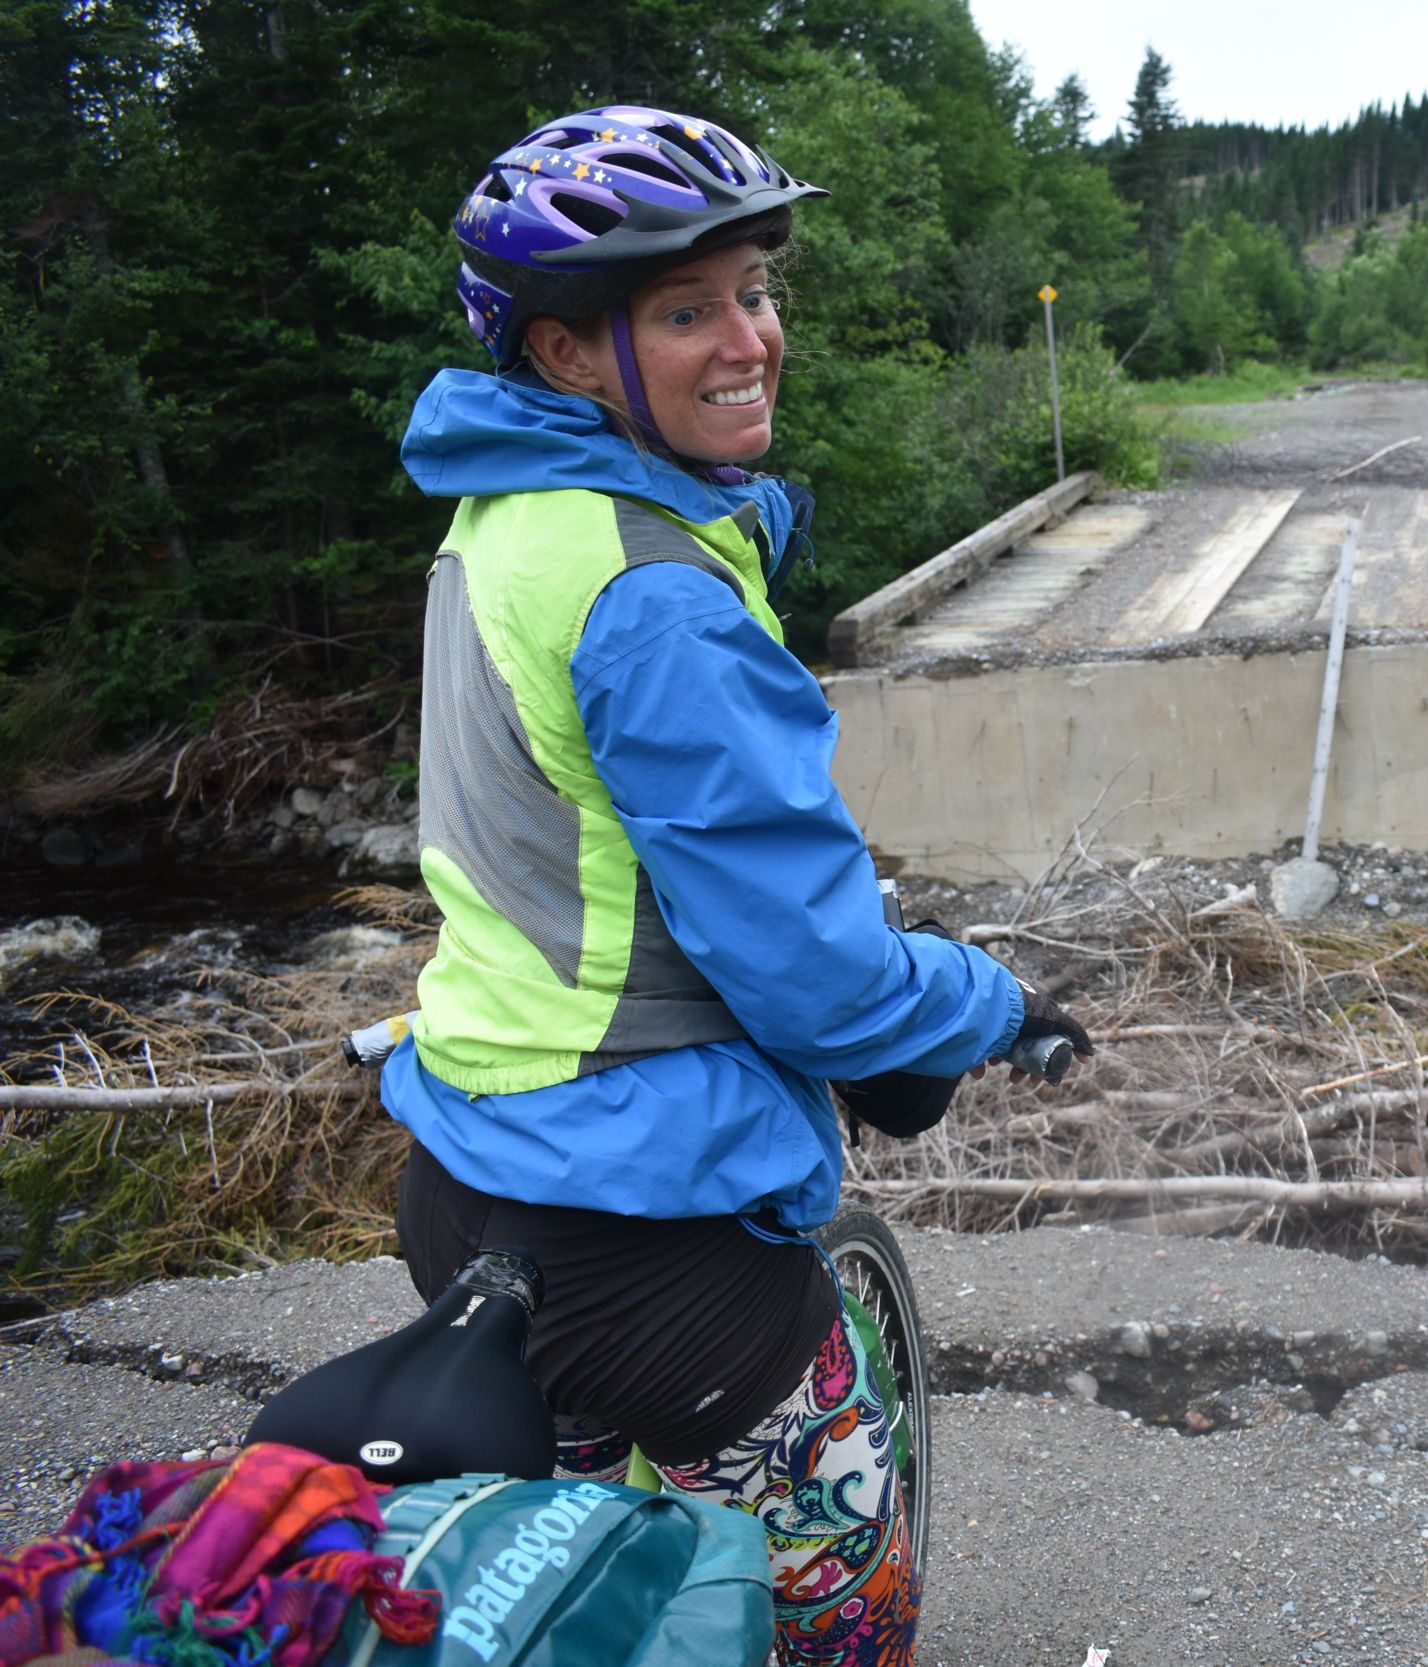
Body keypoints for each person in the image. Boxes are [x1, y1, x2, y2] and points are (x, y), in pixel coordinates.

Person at [383, 104, 1091, 1665]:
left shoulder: (505, 520)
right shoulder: (659, 596)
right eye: (686, 310)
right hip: (647, 1236)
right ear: (570, 354)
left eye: (757, 289)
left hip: (468, 1159)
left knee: (567, 1606)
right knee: (845, 1606)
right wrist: (986, 1001)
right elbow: (822, 979)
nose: (750, 337)